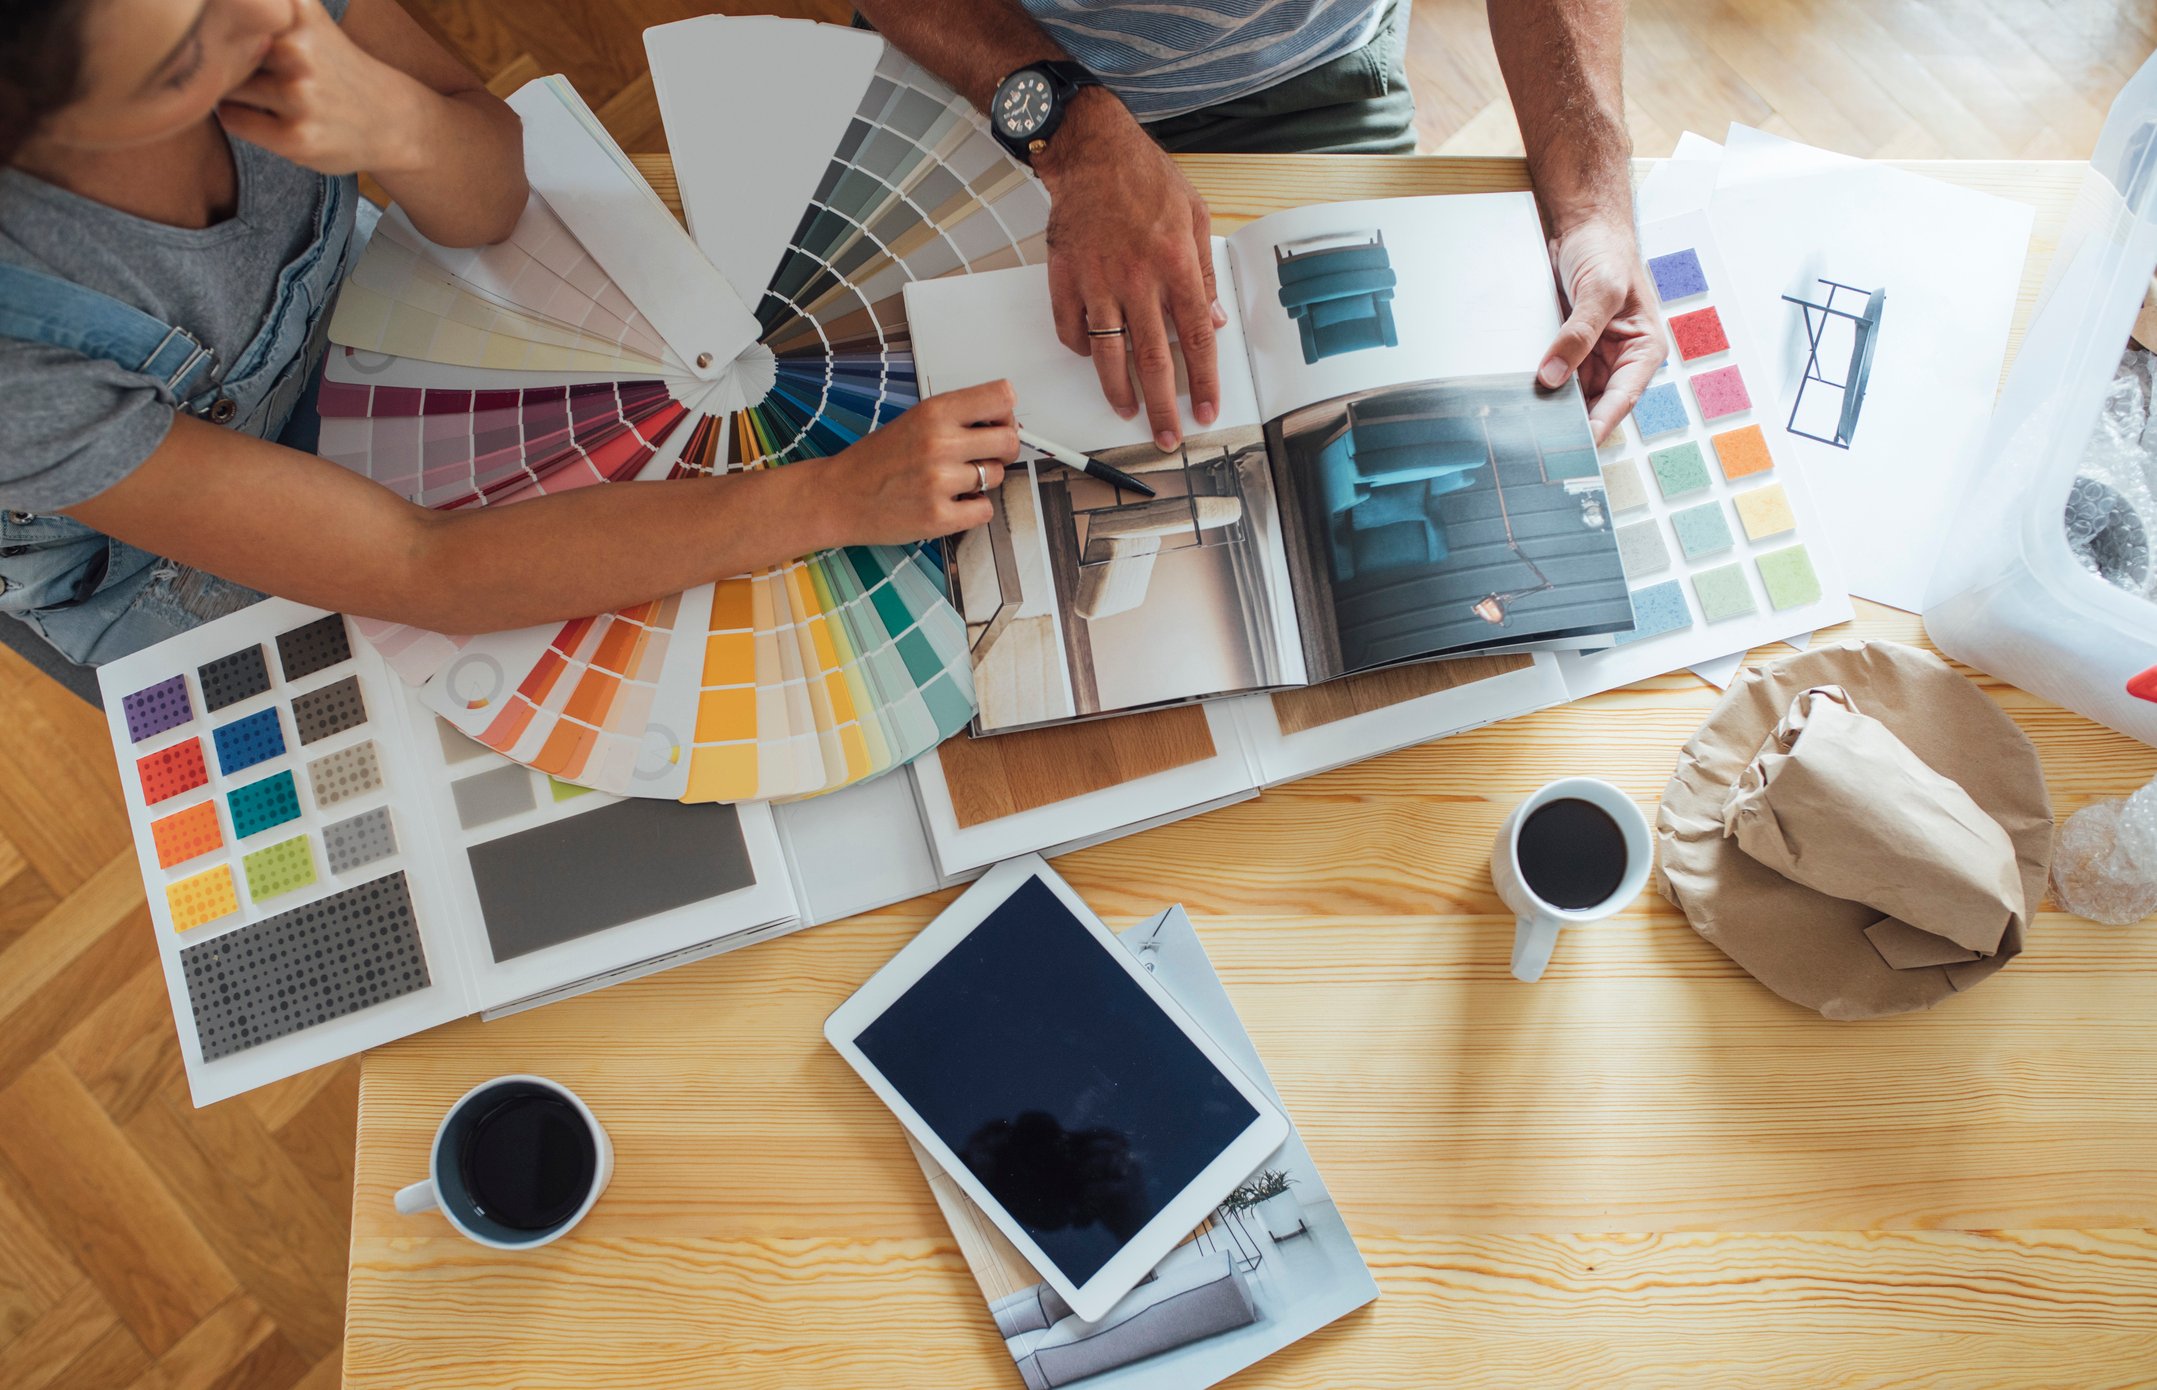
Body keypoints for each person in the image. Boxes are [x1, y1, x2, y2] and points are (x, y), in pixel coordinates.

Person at [0, 0, 1020, 681]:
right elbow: (423, 570)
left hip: (351, 310)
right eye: (185, 59)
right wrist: (830, 497)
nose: (273, 16)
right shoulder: (18, 360)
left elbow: (488, 196)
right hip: (150, 556)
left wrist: (399, 125)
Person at [853, 0, 1661, 450]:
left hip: (1310, 75)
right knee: (867, 403)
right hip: (983, 56)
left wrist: (1591, 205)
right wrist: (1070, 129)